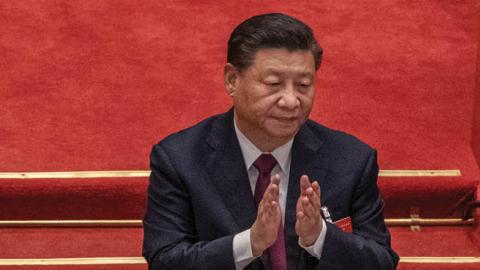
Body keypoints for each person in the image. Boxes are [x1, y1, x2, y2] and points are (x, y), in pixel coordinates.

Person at [143, 13, 399, 270]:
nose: (291, 101)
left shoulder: (351, 160)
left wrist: (319, 237)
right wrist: (250, 243)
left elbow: (382, 261)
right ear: (232, 80)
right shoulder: (180, 159)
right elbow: (165, 261)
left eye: (303, 85)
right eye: (274, 84)